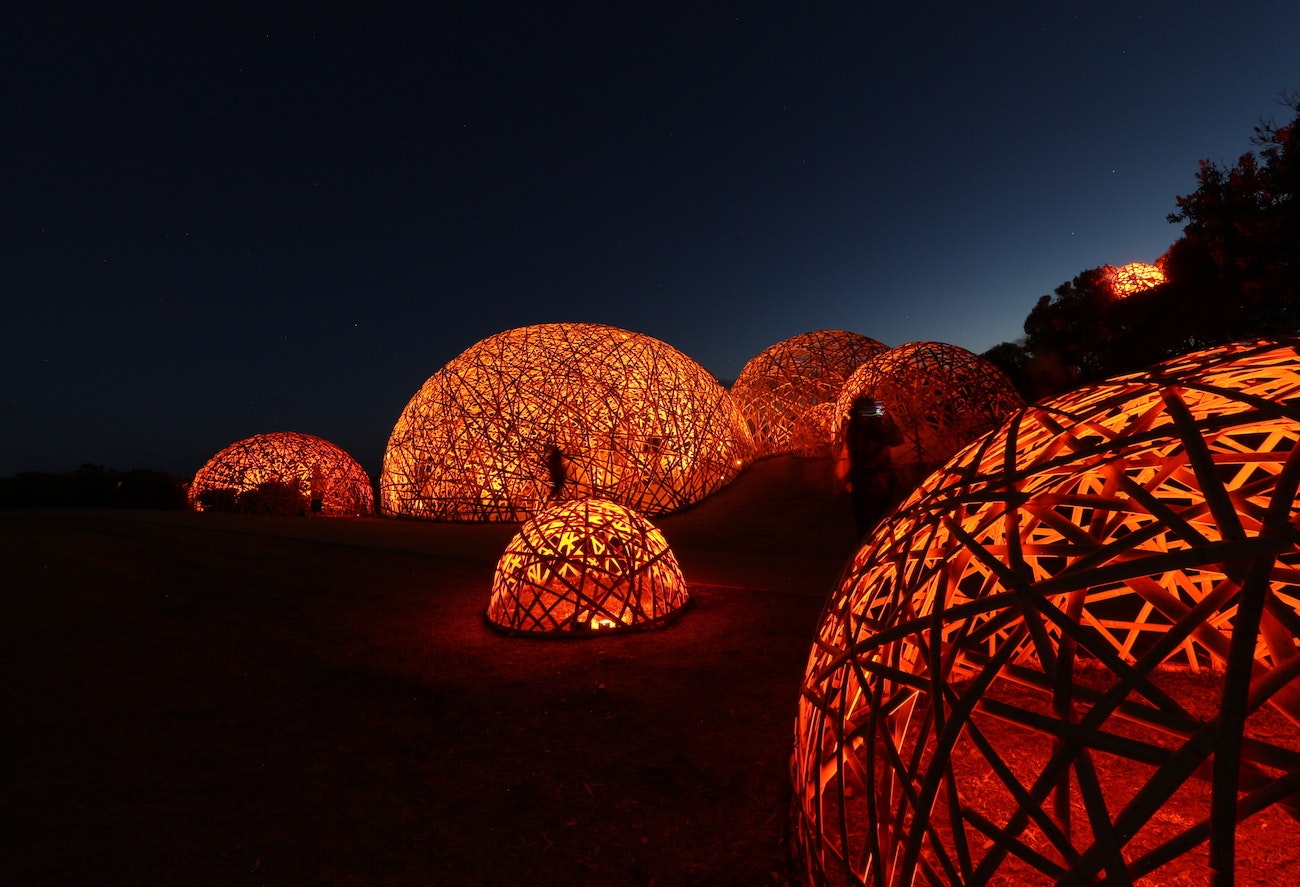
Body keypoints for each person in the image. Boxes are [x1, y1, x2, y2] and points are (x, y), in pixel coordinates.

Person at [842, 396, 904, 537]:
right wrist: (887, 422)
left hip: (863, 478)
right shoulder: (872, 428)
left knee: (866, 520)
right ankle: (877, 547)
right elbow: (897, 440)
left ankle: (868, 547)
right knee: (878, 518)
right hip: (875, 479)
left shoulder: (854, 426)